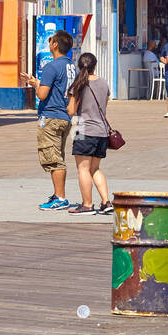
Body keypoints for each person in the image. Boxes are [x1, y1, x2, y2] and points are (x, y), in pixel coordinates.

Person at [24, 29, 73, 209]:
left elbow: (43, 95)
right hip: (65, 116)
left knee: (53, 158)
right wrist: (37, 82)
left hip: (51, 116)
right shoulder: (71, 66)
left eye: (51, 40)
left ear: (55, 45)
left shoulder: (52, 66)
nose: (49, 42)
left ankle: (60, 197)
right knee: (58, 154)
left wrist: (37, 87)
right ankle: (57, 194)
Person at [65, 52, 112, 215]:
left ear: (80, 67)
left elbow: (71, 111)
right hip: (101, 129)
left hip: (81, 127)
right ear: (95, 65)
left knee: (83, 169)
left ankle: (87, 205)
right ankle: (106, 202)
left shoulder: (78, 84)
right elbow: (104, 106)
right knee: (95, 168)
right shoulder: (104, 83)